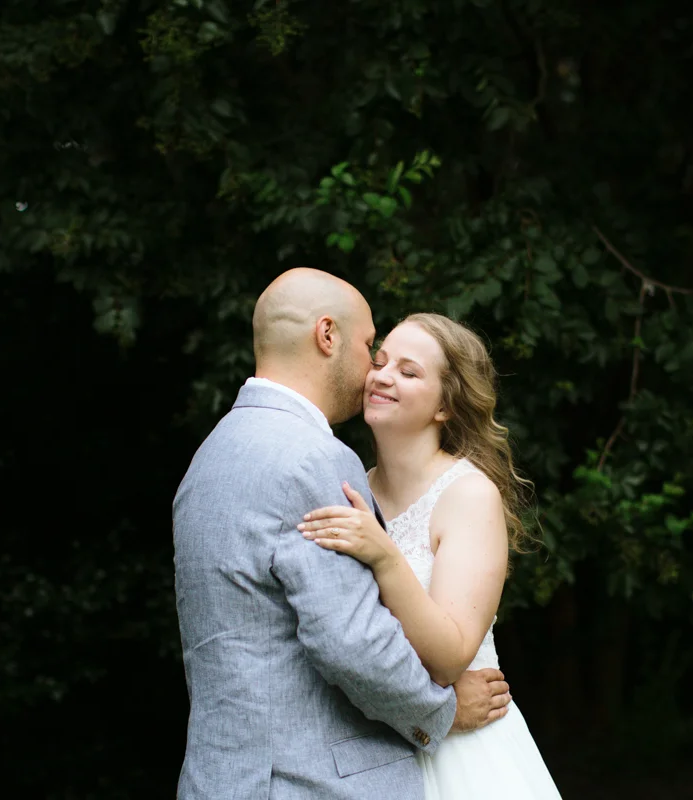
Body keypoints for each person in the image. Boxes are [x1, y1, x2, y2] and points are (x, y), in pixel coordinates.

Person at [172, 270, 512, 799]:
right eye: (371, 348)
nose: (373, 371)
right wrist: (442, 711)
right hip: (305, 782)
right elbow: (351, 640)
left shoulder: (208, 458)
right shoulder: (315, 458)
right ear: (327, 336)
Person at [299, 312, 562, 798]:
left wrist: (385, 556)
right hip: (374, 750)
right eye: (379, 361)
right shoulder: (352, 483)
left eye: (409, 371)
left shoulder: (469, 494)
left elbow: (448, 658)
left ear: (445, 406)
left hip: (466, 760)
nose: (382, 376)